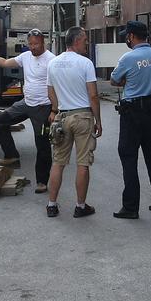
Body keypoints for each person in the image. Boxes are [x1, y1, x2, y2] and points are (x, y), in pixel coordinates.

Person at [0, 29, 54, 193]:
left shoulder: (51, 60)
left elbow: (58, 86)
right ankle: (12, 156)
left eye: (36, 44)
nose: (32, 47)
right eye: (30, 44)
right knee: (0, 122)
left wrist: (55, 110)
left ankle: (42, 182)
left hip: (43, 107)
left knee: (42, 145)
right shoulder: (25, 57)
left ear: (43, 42)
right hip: (26, 103)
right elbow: (3, 62)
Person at [108, 21, 151, 219]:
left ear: (132, 36)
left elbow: (114, 80)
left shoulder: (128, 57)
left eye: (127, 35)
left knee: (129, 158)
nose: (127, 38)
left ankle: (131, 207)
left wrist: (129, 80)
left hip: (132, 113)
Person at [45, 26, 102, 218]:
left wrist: (56, 108)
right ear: (77, 41)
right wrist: (98, 120)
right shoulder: (85, 63)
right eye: (85, 39)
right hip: (83, 117)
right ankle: (80, 206)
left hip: (62, 117)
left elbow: (50, 92)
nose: (87, 43)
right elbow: (93, 95)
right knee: (83, 163)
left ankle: (51, 204)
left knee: (58, 162)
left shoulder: (53, 63)